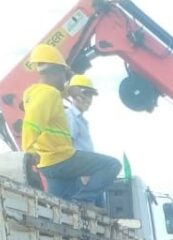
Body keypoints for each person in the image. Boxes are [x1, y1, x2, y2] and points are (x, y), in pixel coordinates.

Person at [21, 45, 120, 204]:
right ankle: (82, 202)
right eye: (64, 75)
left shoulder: (37, 92)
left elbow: (49, 98)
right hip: (61, 159)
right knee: (112, 165)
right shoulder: (49, 94)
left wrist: (68, 90)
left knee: (60, 208)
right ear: (55, 71)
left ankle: (74, 207)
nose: (66, 79)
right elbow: (31, 123)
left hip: (49, 164)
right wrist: (28, 150)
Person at [64, 74, 97, 152]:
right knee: (113, 163)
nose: (88, 100)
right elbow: (68, 145)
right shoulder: (70, 116)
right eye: (84, 95)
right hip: (79, 163)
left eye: (90, 96)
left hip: (86, 161)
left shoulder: (80, 119)